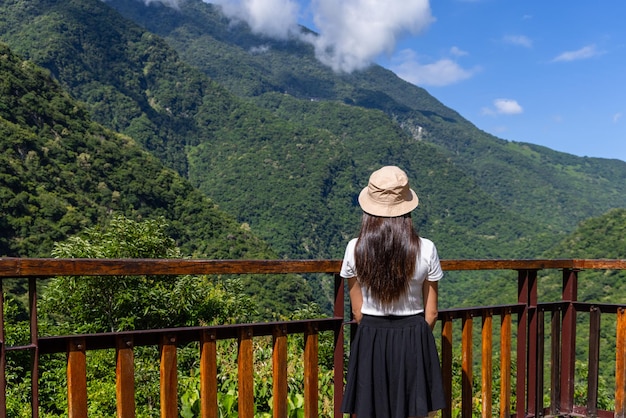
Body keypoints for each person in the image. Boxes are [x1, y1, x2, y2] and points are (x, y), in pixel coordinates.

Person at [340, 166, 446, 418]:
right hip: (414, 336)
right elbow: (431, 313)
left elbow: (357, 311)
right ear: (407, 206)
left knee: (371, 410)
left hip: (371, 336)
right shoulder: (427, 248)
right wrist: (411, 335)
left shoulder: (354, 248)